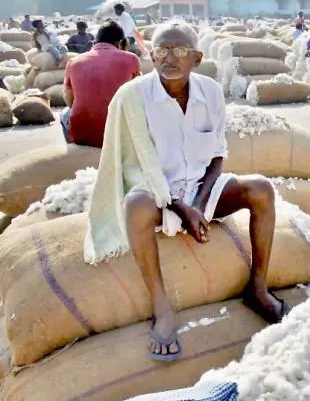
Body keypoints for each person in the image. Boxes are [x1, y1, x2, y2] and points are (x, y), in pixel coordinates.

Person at [84, 22, 287, 362]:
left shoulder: (211, 91)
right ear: (152, 56)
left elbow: (217, 154)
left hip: (200, 188)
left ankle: (258, 288)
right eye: (161, 51)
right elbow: (138, 166)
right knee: (135, 204)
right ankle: (162, 307)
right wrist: (181, 208)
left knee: (261, 189)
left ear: (197, 58)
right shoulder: (132, 97)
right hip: (154, 190)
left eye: (179, 51)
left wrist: (200, 204)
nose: (169, 58)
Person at [61, 20, 139, 147]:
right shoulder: (131, 59)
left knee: (65, 113)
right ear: (120, 42)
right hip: (120, 134)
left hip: (83, 135)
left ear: (95, 42)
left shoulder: (73, 61)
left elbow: (69, 100)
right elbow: (139, 96)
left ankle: (76, 151)